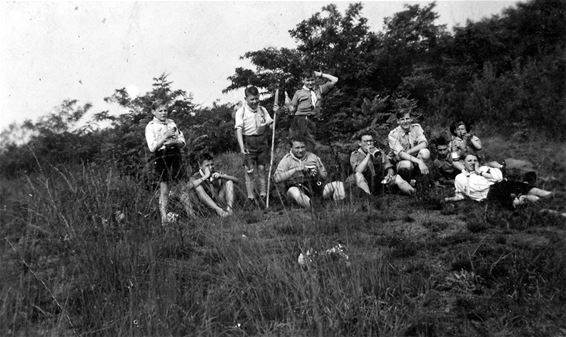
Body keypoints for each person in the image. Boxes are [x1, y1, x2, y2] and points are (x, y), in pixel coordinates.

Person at [145, 100, 194, 225]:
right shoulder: (151, 126)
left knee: (182, 185)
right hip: (162, 156)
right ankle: (164, 219)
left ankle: (191, 214)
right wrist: (165, 136)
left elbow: (182, 141)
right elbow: (152, 147)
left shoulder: (172, 123)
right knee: (164, 188)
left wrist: (175, 142)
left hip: (175, 154)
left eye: (165, 110)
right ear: (153, 112)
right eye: (160, 111)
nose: (163, 113)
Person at [444, 154, 553, 209]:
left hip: (499, 186)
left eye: (475, 160)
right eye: (469, 161)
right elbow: (461, 194)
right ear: (464, 163)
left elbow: (498, 179)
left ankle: (545, 195)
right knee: (517, 197)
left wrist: (479, 172)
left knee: (510, 185)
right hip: (489, 196)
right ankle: (537, 203)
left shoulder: (483, 169)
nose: (472, 162)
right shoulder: (460, 177)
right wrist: (449, 199)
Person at [273, 137, 345, 208]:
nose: (300, 150)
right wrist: (295, 170)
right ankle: (313, 207)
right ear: (291, 148)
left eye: (302, 147)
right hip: (296, 189)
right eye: (297, 148)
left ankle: (339, 206)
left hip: (315, 187)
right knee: (293, 191)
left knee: (339, 184)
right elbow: (276, 179)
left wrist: (316, 172)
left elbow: (324, 175)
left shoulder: (313, 157)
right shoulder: (286, 160)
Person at [234, 86, 274, 206]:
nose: (254, 101)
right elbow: (238, 131)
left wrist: (275, 116)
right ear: (246, 99)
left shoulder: (262, 109)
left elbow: (270, 124)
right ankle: (251, 198)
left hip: (262, 142)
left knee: (262, 169)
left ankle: (263, 196)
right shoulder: (241, 111)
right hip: (248, 143)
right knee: (249, 172)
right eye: (252, 99)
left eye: (256, 98)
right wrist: (242, 148)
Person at [347, 133, 414, 195]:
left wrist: (389, 174)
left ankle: (414, 194)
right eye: (366, 141)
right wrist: (368, 155)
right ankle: (369, 200)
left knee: (398, 178)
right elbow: (358, 171)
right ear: (360, 143)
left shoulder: (379, 152)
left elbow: (388, 166)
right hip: (363, 183)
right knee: (358, 176)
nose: (369, 143)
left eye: (371, 141)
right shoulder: (355, 154)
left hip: (378, 182)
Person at [288, 70, 338, 149]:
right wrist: (288, 106)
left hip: (313, 120)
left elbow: (335, 80)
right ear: (303, 80)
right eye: (308, 80)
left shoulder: (319, 90)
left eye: (312, 80)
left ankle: (310, 160)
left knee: (311, 145)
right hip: (300, 120)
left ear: (315, 80)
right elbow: (292, 108)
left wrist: (320, 74)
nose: (310, 83)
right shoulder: (299, 93)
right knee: (299, 144)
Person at [387, 110, 430, 188]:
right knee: (406, 164)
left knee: (425, 152)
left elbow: (424, 143)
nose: (405, 121)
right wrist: (419, 161)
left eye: (407, 118)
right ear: (398, 121)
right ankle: (407, 182)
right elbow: (401, 154)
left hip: (415, 158)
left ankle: (420, 179)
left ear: (411, 119)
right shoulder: (393, 134)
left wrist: (409, 152)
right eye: (402, 119)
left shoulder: (416, 127)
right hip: (399, 161)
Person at [189, 153, 239, 217]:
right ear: (200, 166)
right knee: (198, 186)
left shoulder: (215, 172)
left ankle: (229, 209)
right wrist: (205, 177)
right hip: (205, 204)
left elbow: (236, 180)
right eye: (207, 165)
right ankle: (218, 210)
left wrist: (221, 176)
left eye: (212, 164)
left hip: (219, 199)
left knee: (229, 181)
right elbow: (190, 185)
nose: (210, 167)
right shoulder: (196, 176)